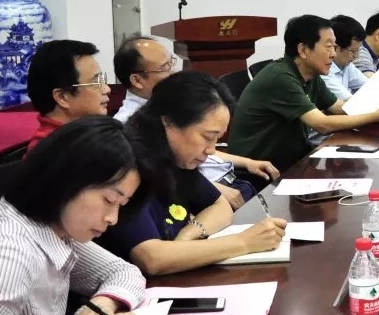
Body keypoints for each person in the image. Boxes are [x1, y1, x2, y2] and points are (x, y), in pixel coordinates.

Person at [0, 117, 150, 315]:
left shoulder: (54, 226)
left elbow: (125, 272)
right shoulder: (11, 252)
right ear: (67, 180)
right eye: (108, 200)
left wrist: (99, 306)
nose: (113, 218)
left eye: (121, 205)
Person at [99, 72, 287, 276]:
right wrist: (244, 242)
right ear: (168, 122)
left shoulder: (176, 158)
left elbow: (220, 206)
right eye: (207, 137)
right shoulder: (128, 165)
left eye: (217, 139)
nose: (212, 150)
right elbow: (152, 258)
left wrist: (188, 235)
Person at [112, 36, 279, 210]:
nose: (173, 72)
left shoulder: (175, 105)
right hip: (207, 195)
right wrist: (213, 192)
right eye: (164, 68)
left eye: (171, 63)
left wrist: (247, 162)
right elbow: (165, 173)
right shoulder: (129, 127)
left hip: (227, 180)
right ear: (137, 80)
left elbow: (202, 147)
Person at [227, 15, 379, 171]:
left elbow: (342, 108)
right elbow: (323, 124)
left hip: (290, 162)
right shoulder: (281, 77)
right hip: (259, 171)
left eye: (334, 47)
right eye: (328, 47)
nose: (333, 54)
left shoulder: (310, 75)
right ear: (303, 50)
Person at [24, 40, 111, 151]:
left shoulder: (84, 135)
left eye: (101, 80)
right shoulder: (53, 152)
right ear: (62, 97)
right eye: (95, 82)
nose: (107, 89)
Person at [323, 15, 368, 101]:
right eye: (354, 51)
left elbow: (370, 86)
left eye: (358, 50)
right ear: (335, 48)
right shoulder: (323, 71)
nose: (356, 56)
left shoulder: (346, 65)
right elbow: (349, 103)